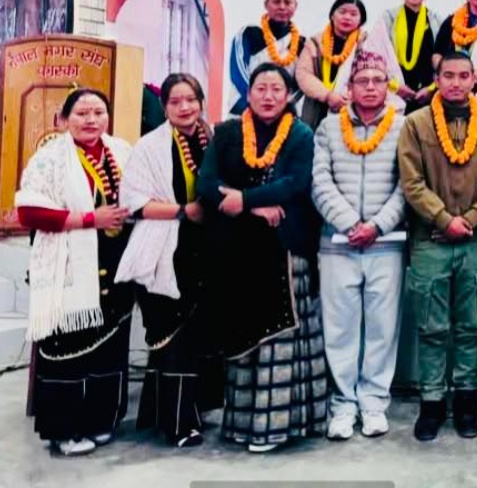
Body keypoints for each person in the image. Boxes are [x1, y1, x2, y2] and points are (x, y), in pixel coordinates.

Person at [198, 64, 326, 453]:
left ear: (289, 96)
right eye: (261, 88)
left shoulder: (301, 134)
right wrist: (251, 206)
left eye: (276, 89)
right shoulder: (227, 132)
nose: (268, 96)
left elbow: (296, 183)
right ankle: (243, 424)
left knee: (283, 334)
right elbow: (207, 183)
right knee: (244, 333)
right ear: (248, 92)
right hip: (239, 249)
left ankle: (280, 425)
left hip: (286, 247)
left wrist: (247, 198)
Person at [16, 89, 134, 457]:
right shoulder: (49, 158)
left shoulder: (122, 151)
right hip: (68, 265)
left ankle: (101, 420)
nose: (91, 120)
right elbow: (29, 212)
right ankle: (63, 431)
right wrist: (89, 219)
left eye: (99, 112)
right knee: (67, 349)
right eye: (82, 113)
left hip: (115, 265)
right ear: (64, 120)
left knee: (109, 346)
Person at [399, 52, 477, 441]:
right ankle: (431, 402)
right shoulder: (415, 123)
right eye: (448, 75)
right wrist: (444, 220)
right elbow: (411, 183)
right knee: (430, 326)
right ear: (437, 79)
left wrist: (470, 220)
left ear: (475, 79)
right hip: (430, 240)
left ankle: (466, 401)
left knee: (471, 326)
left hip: (476, 240)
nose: (456, 82)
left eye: (463, 75)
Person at [117, 74, 222, 448]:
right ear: (164, 108)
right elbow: (133, 203)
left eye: (190, 99)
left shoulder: (215, 139)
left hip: (204, 253)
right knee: (170, 337)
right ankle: (178, 424)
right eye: (175, 101)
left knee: (199, 336)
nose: (184, 107)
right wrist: (183, 211)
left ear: (201, 102)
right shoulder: (149, 146)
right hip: (163, 251)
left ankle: (185, 412)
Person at [311, 50, 406, 441]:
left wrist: (378, 225)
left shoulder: (403, 127)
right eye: (362, 81)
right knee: (339, 328)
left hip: (386, 243)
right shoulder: (328, 128)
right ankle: (342, 405)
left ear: (387, 87)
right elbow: (319, 181)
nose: (370, 87)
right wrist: (351, 224)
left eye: (377, 81)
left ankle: (373, 403)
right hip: (338, 243)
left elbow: (408, 185)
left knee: (383, 328)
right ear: (349, 87)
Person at [228, 0, 305, 115]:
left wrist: (281, 105)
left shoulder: (302, 44)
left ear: (296, 6)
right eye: (276, 1)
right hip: (244, 109)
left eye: (287, 2)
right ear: (266, 4)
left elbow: (301, 83)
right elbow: (237, 72)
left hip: (284, 114)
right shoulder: (248, 34)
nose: (282, 7)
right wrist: (256, 101)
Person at [370, 0, 441, 112]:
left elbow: (445, 59)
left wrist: (432, 88)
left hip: (428, 95)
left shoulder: (436, 20)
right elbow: (373, 55)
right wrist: (394, 86)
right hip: (392, 93)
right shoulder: (388, 18)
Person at [297, 0, 369, 129]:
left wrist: (350, 97)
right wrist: (328, 96)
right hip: (315, 109)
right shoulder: (315, 42)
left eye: (353, 14)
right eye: (342, 12)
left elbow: (371, 77)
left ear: (361, 21)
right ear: (332, 16)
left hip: (351, 108)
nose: (347, 17)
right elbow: (303, 74)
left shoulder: (367, 44)